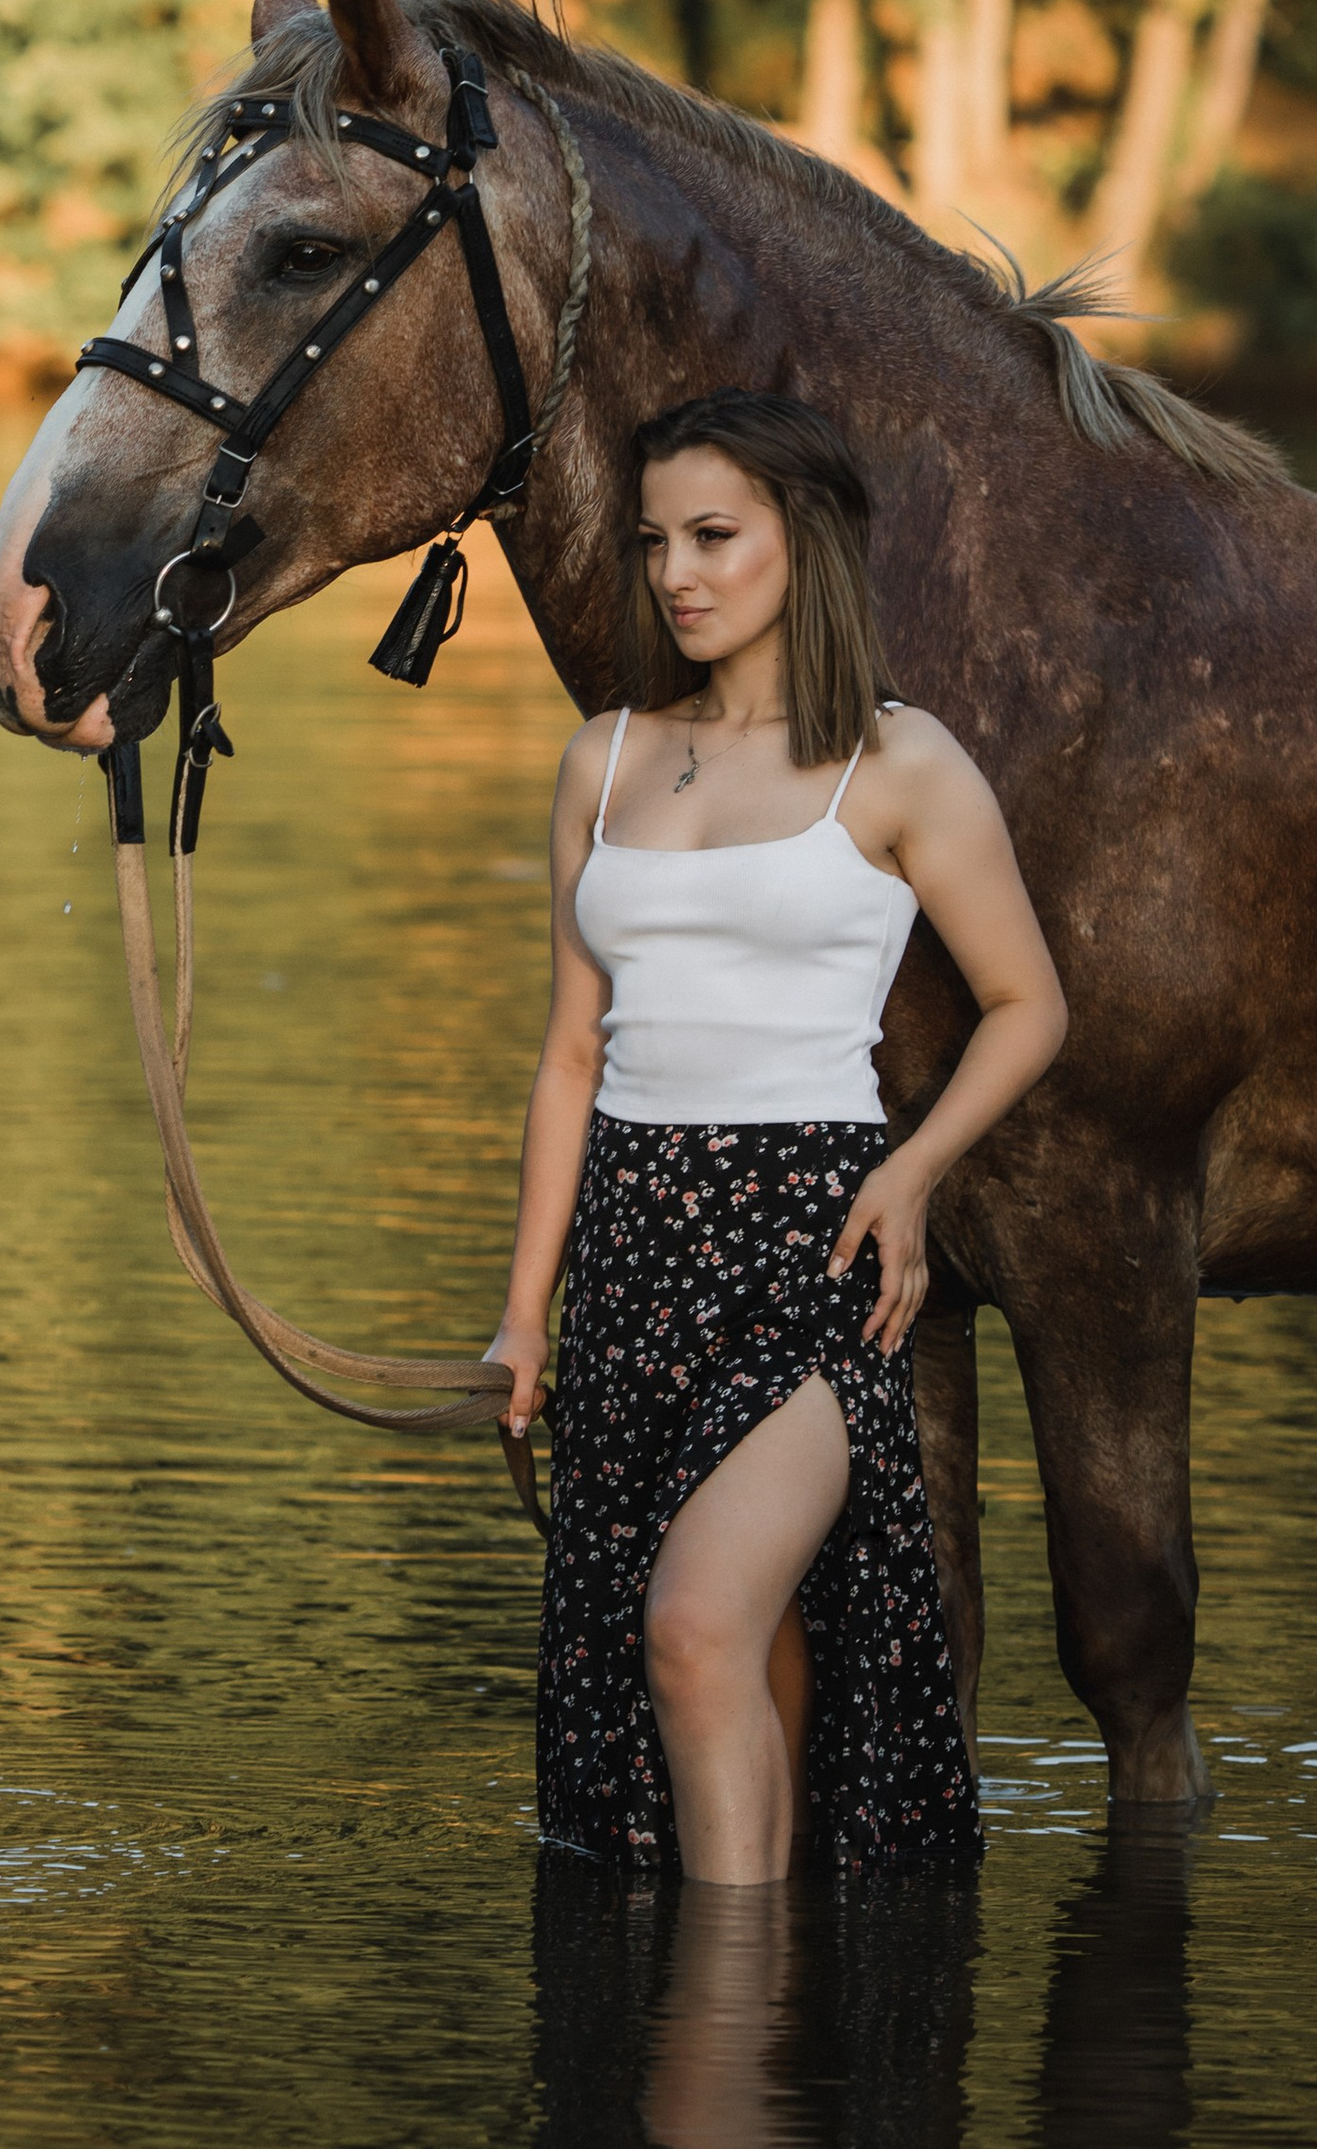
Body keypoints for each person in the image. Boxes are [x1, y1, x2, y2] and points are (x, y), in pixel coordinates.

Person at [484, 389, 1066, 1884]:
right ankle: (763, 2000)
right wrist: (522, 1316)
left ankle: (723, 2011)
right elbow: (567, 1057)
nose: (677, 571)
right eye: (656, 539)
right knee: (716, 1652)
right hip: (627, 1245)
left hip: (807, 1240)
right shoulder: (601, 758)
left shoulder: (900, 763)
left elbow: (1026, 1005)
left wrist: (912, 1170)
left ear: (800, 544)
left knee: (694, 1626)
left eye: (715, 536)